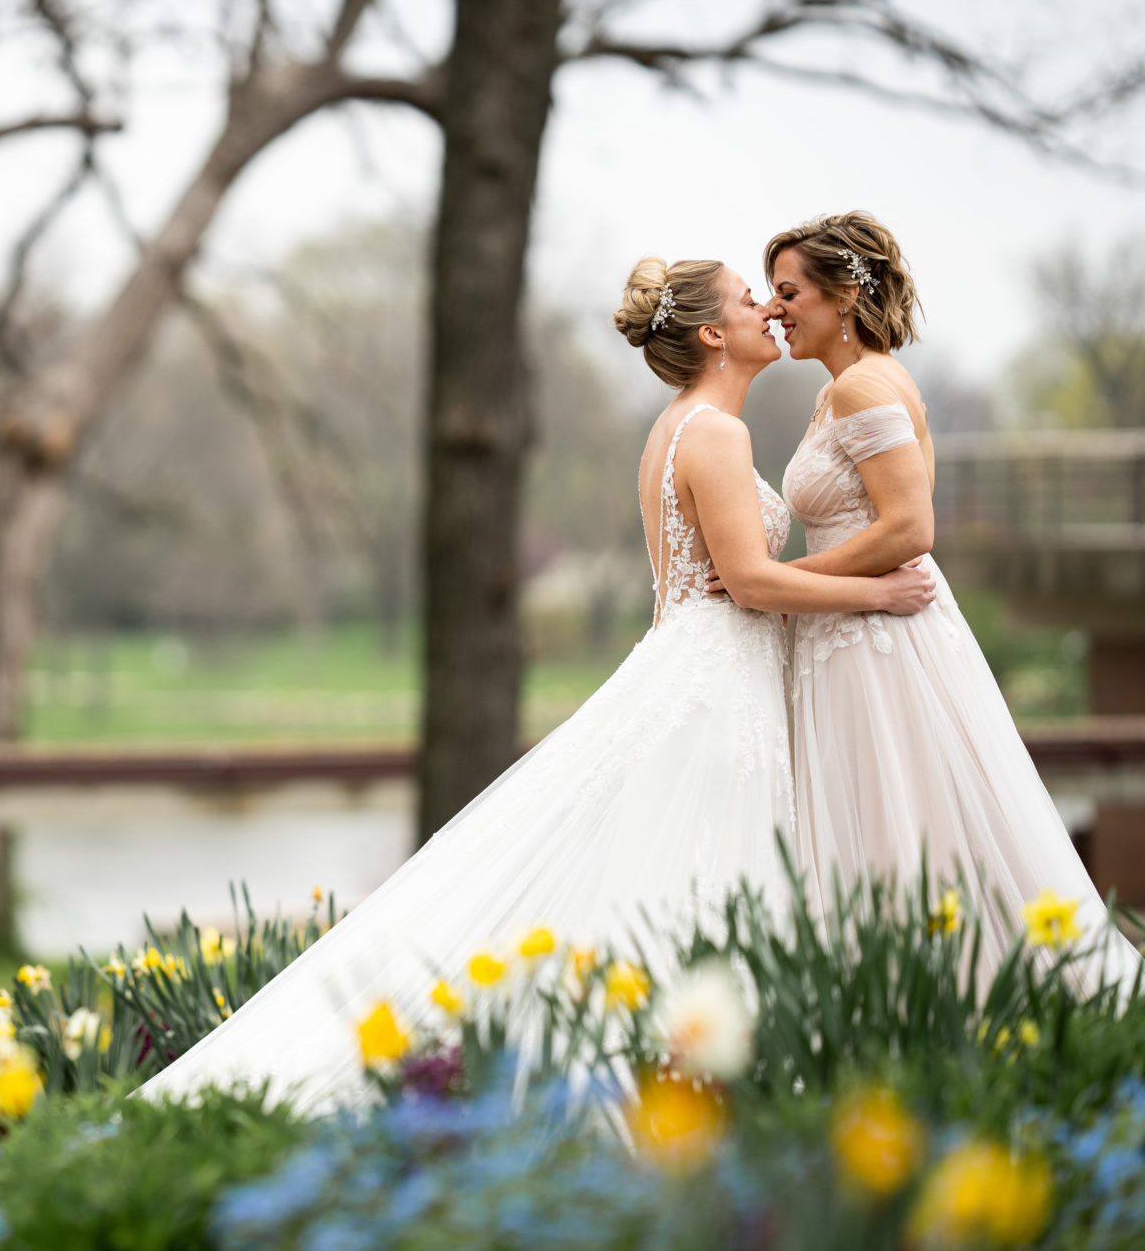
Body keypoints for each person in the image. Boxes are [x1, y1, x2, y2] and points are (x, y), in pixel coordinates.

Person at [137, 257, 933, 1112]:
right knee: (703, 869)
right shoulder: (717, 432)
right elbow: (748, 581)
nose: (769, 312)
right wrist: (876, 590)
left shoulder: (675, 427)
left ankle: (681, 1072)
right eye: (750, 300)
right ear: (712, 333)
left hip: (690, 658)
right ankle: (681, 1082)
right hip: (716, 673)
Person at [757, 211, 1140, 989]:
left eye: (789, 290)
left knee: (899, 825)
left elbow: (910, 525)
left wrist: (794, 589)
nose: (774, 309)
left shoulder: (864, 384)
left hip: (874, 641)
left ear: (842, 293)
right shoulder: (841, 389)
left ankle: (936, 1001)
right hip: (855, 627)